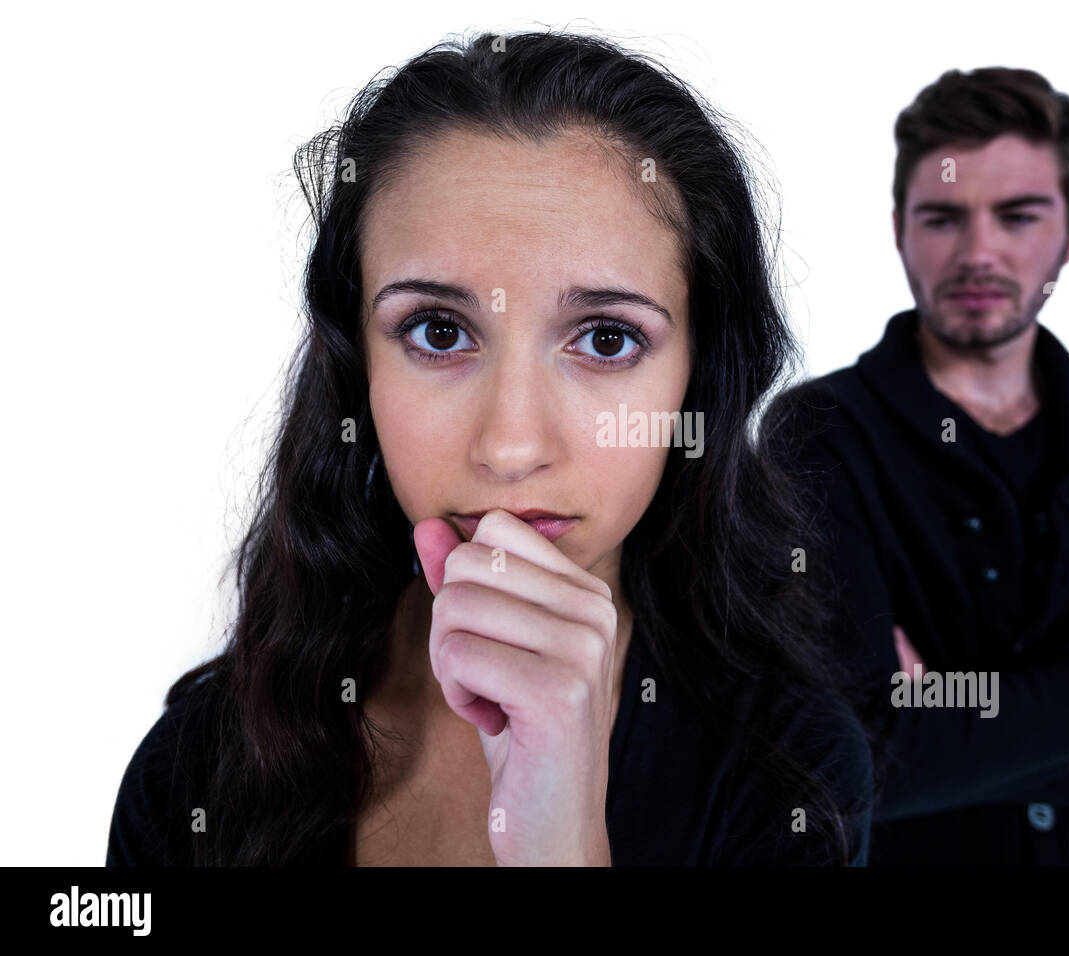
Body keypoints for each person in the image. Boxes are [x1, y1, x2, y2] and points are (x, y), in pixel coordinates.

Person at [106, 30, 872, 867]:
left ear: (700, 376)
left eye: (607, 340)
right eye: (438, 332)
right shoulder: (197, 771)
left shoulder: (790, 774)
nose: (510, 448)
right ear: (358, 363)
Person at [762, 67, 1069, 865]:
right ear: (899, 228)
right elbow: (842, 762)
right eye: (943, 218)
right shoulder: (818, 434)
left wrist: (941, 741)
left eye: (1018, 216)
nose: (978, 252)